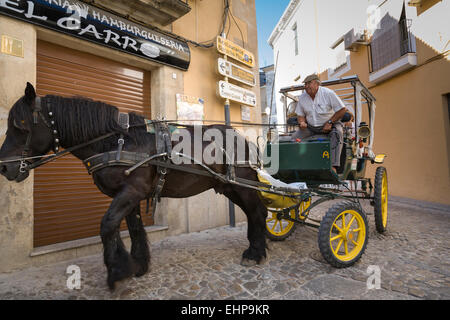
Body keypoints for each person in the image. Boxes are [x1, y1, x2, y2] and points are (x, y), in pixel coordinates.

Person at [291, 74, 347, 172]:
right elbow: (300, 115)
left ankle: (333, 166)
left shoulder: (328, 93)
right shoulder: (303, 97)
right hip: (311, 127)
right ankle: (298, 165)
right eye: (305, 84)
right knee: (294, 138)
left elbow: (342, 109)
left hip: (331, 124)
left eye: (309, 83)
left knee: (338, 133)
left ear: (317, 84)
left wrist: (330, 122)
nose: (307, 86)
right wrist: (302, 122)